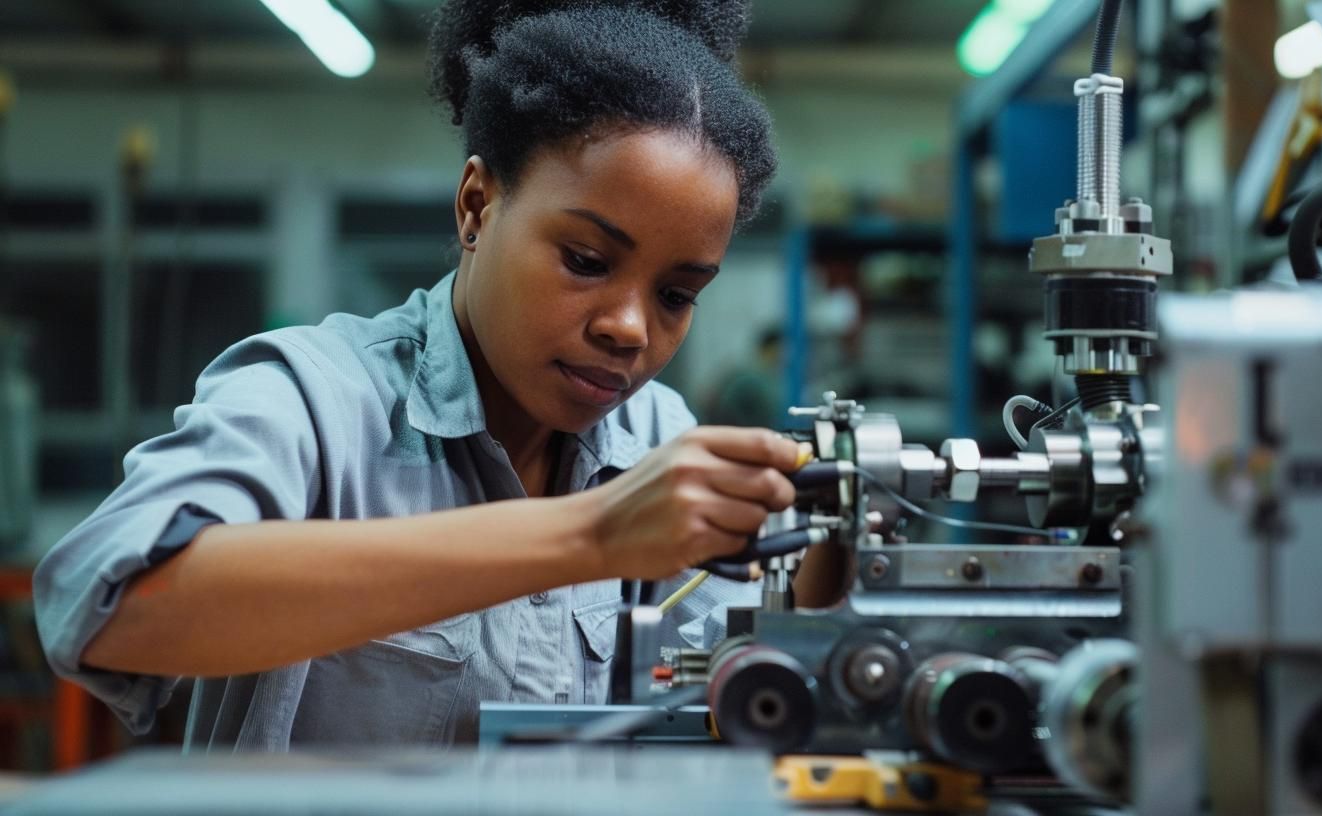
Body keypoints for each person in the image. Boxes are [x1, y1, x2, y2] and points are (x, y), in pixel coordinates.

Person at [32, 0, 841, 750]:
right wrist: (589, 536)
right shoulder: (314, 399)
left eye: (676, 295)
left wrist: (829, 569)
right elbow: (109, 608)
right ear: (477, 207)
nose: (629, 328)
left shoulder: (660, 440)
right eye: (586, 261)